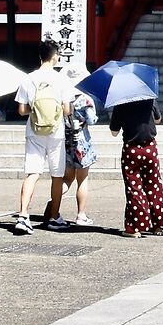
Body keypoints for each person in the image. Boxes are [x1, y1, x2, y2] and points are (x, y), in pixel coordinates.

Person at [15, 42, 72, 234]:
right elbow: (66, 110)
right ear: (55, 56)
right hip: (56, 132)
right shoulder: (62, 79)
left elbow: (22, 110)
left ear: (40, 57)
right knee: (57, 175)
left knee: (32, 173)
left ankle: (23, 215)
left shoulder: (28, 79)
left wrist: (36, 111)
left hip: (34, 130)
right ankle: (54, 216)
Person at [111, 92, 163, 236]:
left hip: (131, 149)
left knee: (134, 187)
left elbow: (114, 131)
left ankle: (136, 226)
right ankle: (158, 225)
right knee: (154, 185)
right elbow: (158, 119)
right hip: (150, 148)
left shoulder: (121, 102)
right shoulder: (149, 98)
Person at [47, 89, 99, 228]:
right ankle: (81, 215)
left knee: (67, 178)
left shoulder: (62, 96)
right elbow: (91, 120)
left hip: (66, 141)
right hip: (82, 142)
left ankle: (54, 202)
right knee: (82, 180)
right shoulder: (84, 99)